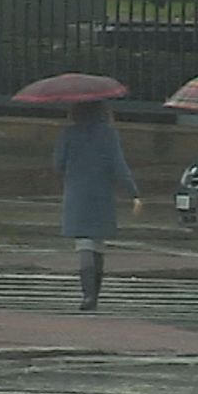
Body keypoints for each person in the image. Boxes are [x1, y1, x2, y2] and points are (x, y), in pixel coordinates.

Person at [53, 101, 142, 311]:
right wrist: (134, 193)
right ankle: (95, 295)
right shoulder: (109, 134)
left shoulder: (69, 133)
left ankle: (87, 295)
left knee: (84, 244)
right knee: (98, 245)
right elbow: (119, 165)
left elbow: (58, 163)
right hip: (102, 195)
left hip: (77, 194)